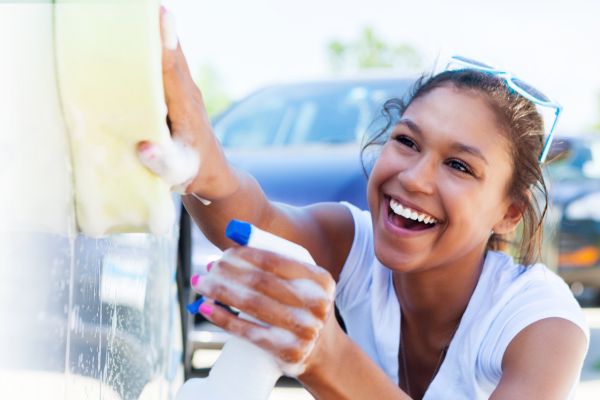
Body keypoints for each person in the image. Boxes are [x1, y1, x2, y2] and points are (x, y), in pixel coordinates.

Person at [140, 9, 589, 399]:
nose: (414, 177)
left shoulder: (542, 324)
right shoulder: (353, 245)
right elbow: (252, 220)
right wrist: (195, 156)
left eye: (458, 165)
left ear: (509, 213)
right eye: (407, 141)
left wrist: (325, 357)